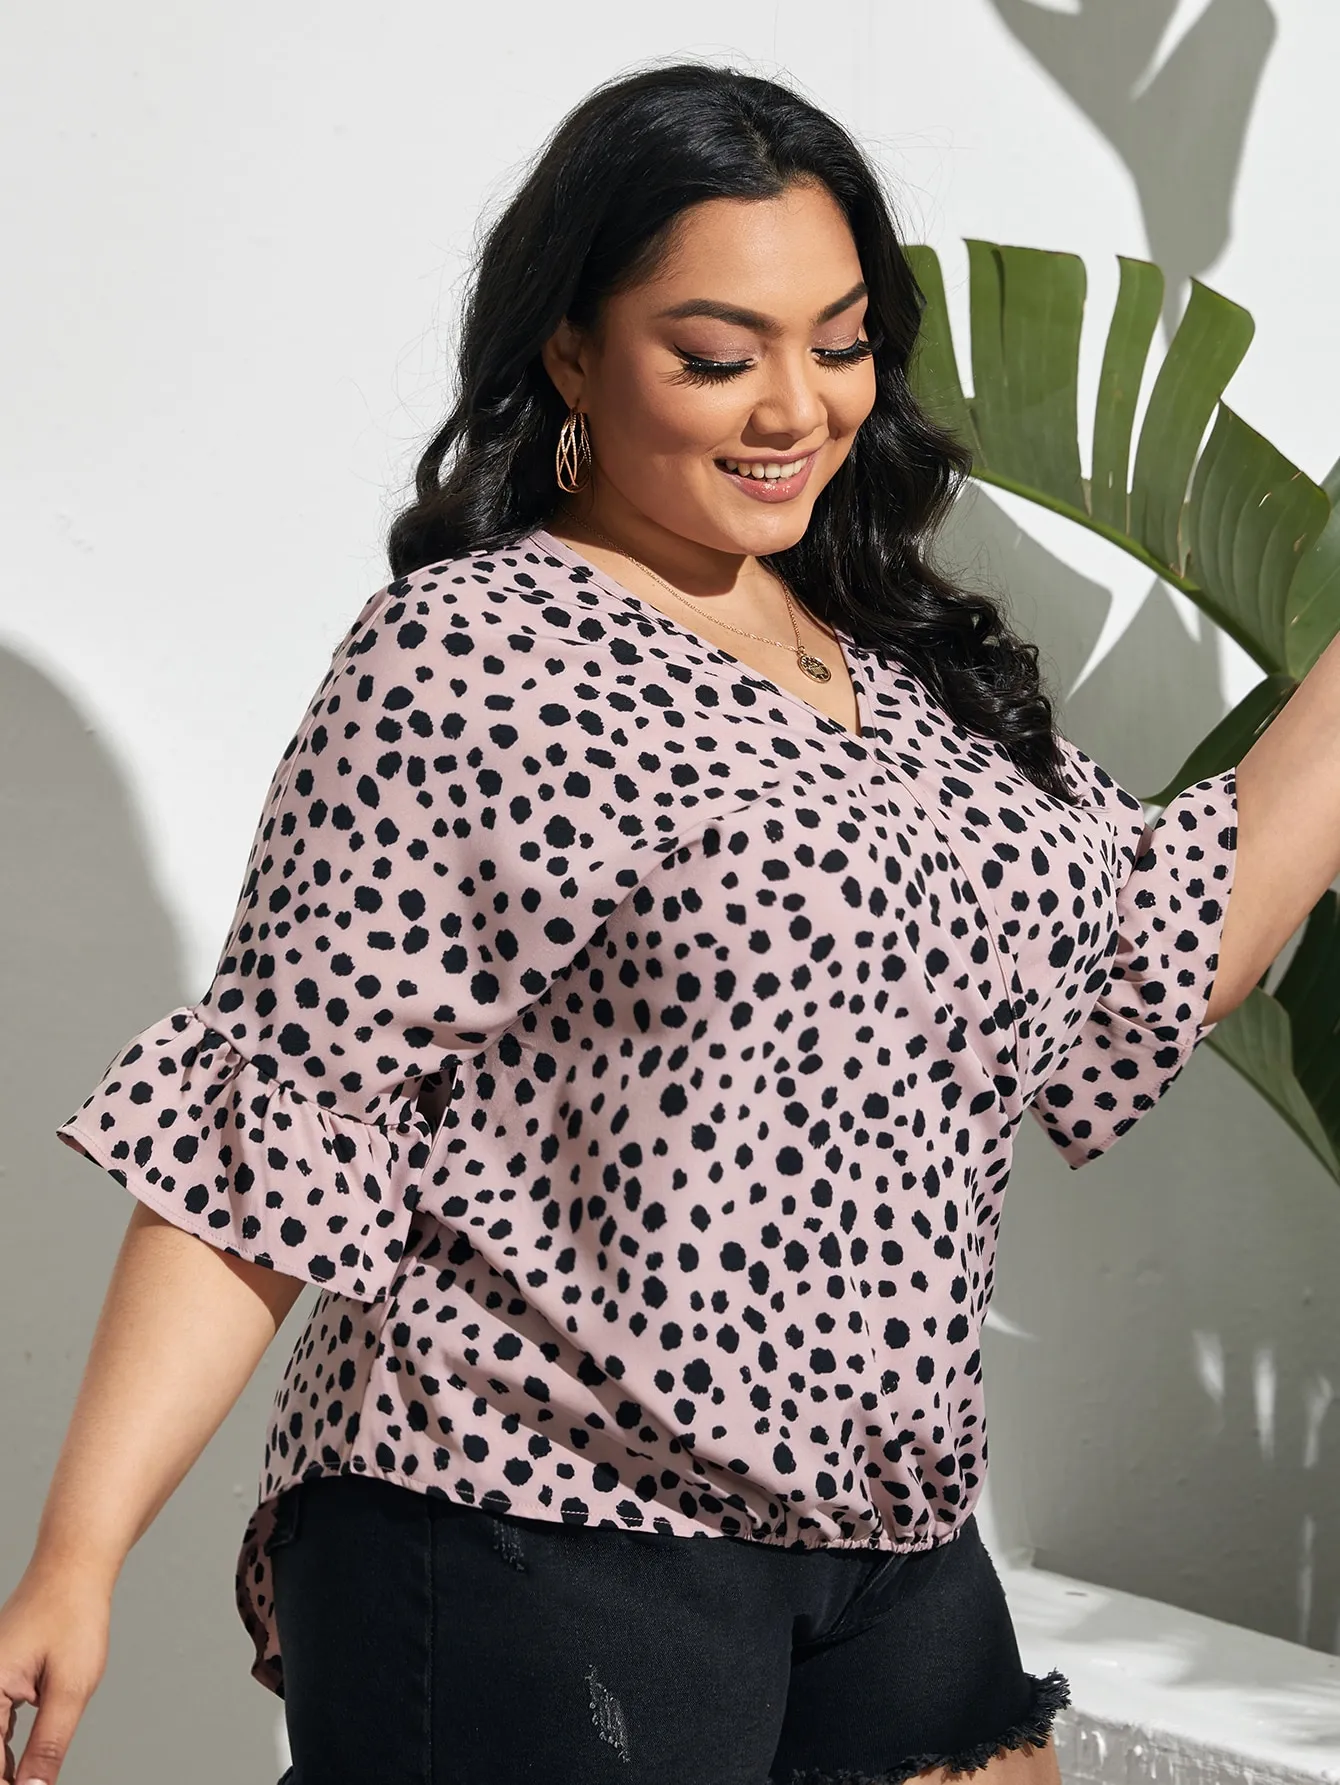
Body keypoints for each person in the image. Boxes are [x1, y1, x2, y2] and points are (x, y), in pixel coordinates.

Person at [4, 56, 1333, 1785]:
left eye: (840, 343)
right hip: (529, 1522)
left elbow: (1166, 948)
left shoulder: (900, 670)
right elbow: (287, 1114)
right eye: (717, 355)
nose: (794, 407)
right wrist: (78, 1555)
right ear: (570, 352)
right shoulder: (474, 656)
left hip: (885, 1530)